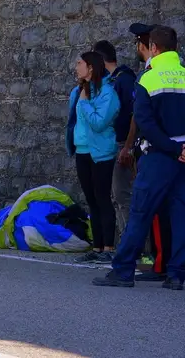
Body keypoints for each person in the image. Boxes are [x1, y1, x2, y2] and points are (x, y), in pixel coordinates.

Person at [93, 26, 185, 290]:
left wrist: (171, 148)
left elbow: (145, 123)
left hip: (159, 157)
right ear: (176, 48)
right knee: (182, 215)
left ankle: (123, 271)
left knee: (140, 212)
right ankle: (176, 275)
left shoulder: (148, 80)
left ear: (154, 48)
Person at [126, 22, 174, 281]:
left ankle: (159, 263)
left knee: (154, 210)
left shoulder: (150, 75)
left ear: (145, 46)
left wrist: (131, 147)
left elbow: (142, 117)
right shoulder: (171, 72)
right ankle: (163, 261)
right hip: (170, 149)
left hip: (155, 150)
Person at [65, 51, 121, 263]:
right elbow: (73, 121)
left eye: (79, 63)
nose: (76, 67)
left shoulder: (107, 93)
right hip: (82, 151)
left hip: (101, 152)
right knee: (91, 200)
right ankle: (97, 247)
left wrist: (86, 103)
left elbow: (99, 123)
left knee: (103, 199)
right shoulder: (78, 91)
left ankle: (108, 247)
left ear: (90, 67)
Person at [93, 40, 136, 244]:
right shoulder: (111, 81)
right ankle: (125, 243)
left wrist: (127, 147)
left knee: (122, 196)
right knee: (114, 197)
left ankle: (132, 247)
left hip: (122, 146)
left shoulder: (124, 81)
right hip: (111, 146)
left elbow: (134, 116)